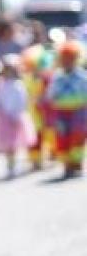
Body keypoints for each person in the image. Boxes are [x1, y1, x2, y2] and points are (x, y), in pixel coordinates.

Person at [0, 55, 36, 178]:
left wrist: (16, 113)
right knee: (8, 144)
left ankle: (14, 163)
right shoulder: (0, 84)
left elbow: (21, 100)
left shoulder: (18, 85)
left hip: (15, 117)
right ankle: (10, 165)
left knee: (15, 143)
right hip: (3, 118)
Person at [46, 40, 87, 179]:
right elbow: (51, 94)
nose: (67, 62)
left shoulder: (82, 76)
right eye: (65, 59)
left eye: (70, 58)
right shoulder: (57, 77)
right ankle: (66, 164)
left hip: (79, 112)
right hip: (62, 113)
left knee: (77, 137)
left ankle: (77, 162)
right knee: (63, 138)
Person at [21, 43, 55, 170]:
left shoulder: (47, 79)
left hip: (45, 111)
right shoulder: (26, 78)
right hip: (32, 112)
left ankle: (50, 154)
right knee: (34, 137)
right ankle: (35, 160)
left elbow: (50, 94)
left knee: (48, 134)